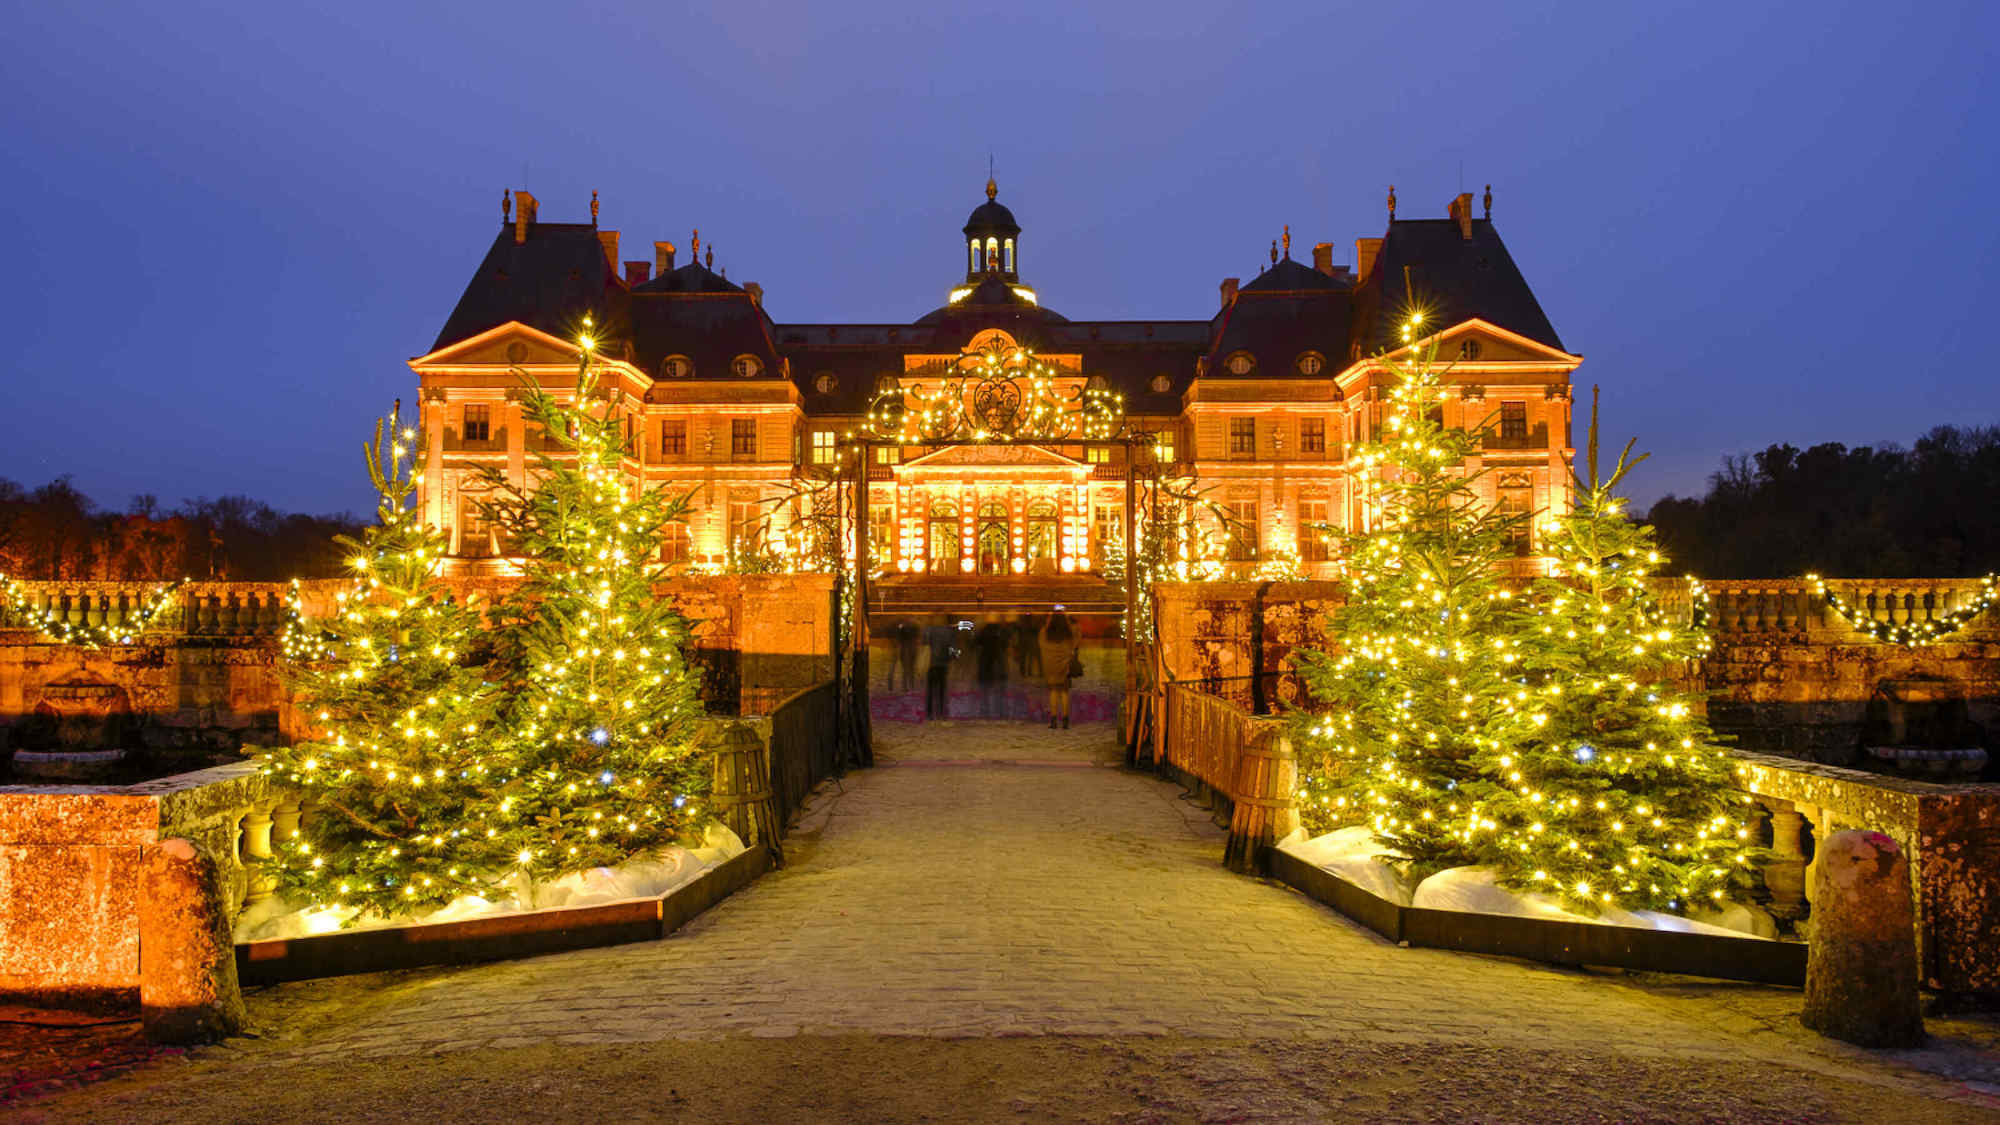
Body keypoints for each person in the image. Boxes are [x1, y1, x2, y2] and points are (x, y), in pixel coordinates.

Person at [1038, 608, 1079, 729]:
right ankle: (1065, 720)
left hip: (1051, 666)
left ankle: (1054, 720)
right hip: (1064, 665)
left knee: (1054, 692)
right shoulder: (1067, 632)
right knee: (1065, 692)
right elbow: (1074, 644)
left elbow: (1041, 643)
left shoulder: (1046, 632)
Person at [923, 614, 959, 720]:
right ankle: (941, 712)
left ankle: (930, 713)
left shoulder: (929, 629)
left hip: (931, 663)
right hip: (943, 663)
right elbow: (953, 649)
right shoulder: (949, 632)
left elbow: (924, 643)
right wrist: (954, 658)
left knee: (930, 689)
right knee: (942, 689)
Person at [974, 618, 1011, 717]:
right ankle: (1001, 711)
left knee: (985, 689)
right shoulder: (1001, 632)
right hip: (998, 663)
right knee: (999, 689)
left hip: (985, 663)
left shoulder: (983, 631)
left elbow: (975, 643)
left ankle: (985, 711)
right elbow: (1005, 644)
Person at [892, 619, 920, 692]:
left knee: (906, 670)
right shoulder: (910, 638)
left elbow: (899, 636)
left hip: (906, 653)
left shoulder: (904, 637)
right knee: (910, 670)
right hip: (908, 653)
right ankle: (910, 686)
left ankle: (907, 687)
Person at [1012, 613, 1041, 677]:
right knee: (1029, 657)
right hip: (1029, 641)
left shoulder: (1021, 622)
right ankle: (1028, 671)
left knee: (1024, 657)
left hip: (1023, 641)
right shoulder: (1032, 622)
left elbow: (1016, 629)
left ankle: (1024, 671)